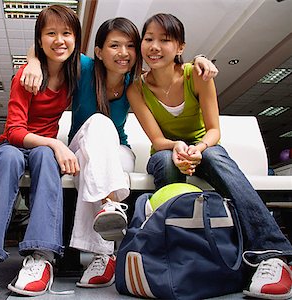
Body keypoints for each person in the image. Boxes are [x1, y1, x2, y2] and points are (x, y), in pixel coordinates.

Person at [22, 17, 218, 288]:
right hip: (79, 146)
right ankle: (105, 245)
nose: (123, 53)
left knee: (95, 168)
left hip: (118, 152)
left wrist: (200, 58)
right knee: (99, 124)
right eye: (114, 45)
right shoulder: (84, 68)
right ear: (100, 52)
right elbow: (52, 48)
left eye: (129, 46)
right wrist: (32, 60)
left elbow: (177, 66)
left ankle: (104, 241)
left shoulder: (135, 85)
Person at [127, 13, 292, 300]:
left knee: (215, 158)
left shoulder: (197, 74)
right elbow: (156, 139)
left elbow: (214, 130)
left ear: (180, 47)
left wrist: (198, 149)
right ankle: (175, 254)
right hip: (167, 150)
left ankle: (271, 253)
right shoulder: (137, 88)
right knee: (166, 163)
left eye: (164, 40)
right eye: (148, 39)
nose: (154, 46)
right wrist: (177, 147)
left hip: (204, 146)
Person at [0, 5, 81, 296]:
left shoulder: (76, 72)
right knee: (8, 157)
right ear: (40, 39)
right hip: (15, 144)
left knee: (45, 158)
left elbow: (118, 63)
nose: (59, 40)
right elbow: (15, 131)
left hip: (40, 151)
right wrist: (31, 62)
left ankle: (41, 257)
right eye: (50, 33)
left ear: (76, 39)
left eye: (66, 33)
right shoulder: (26, 77)